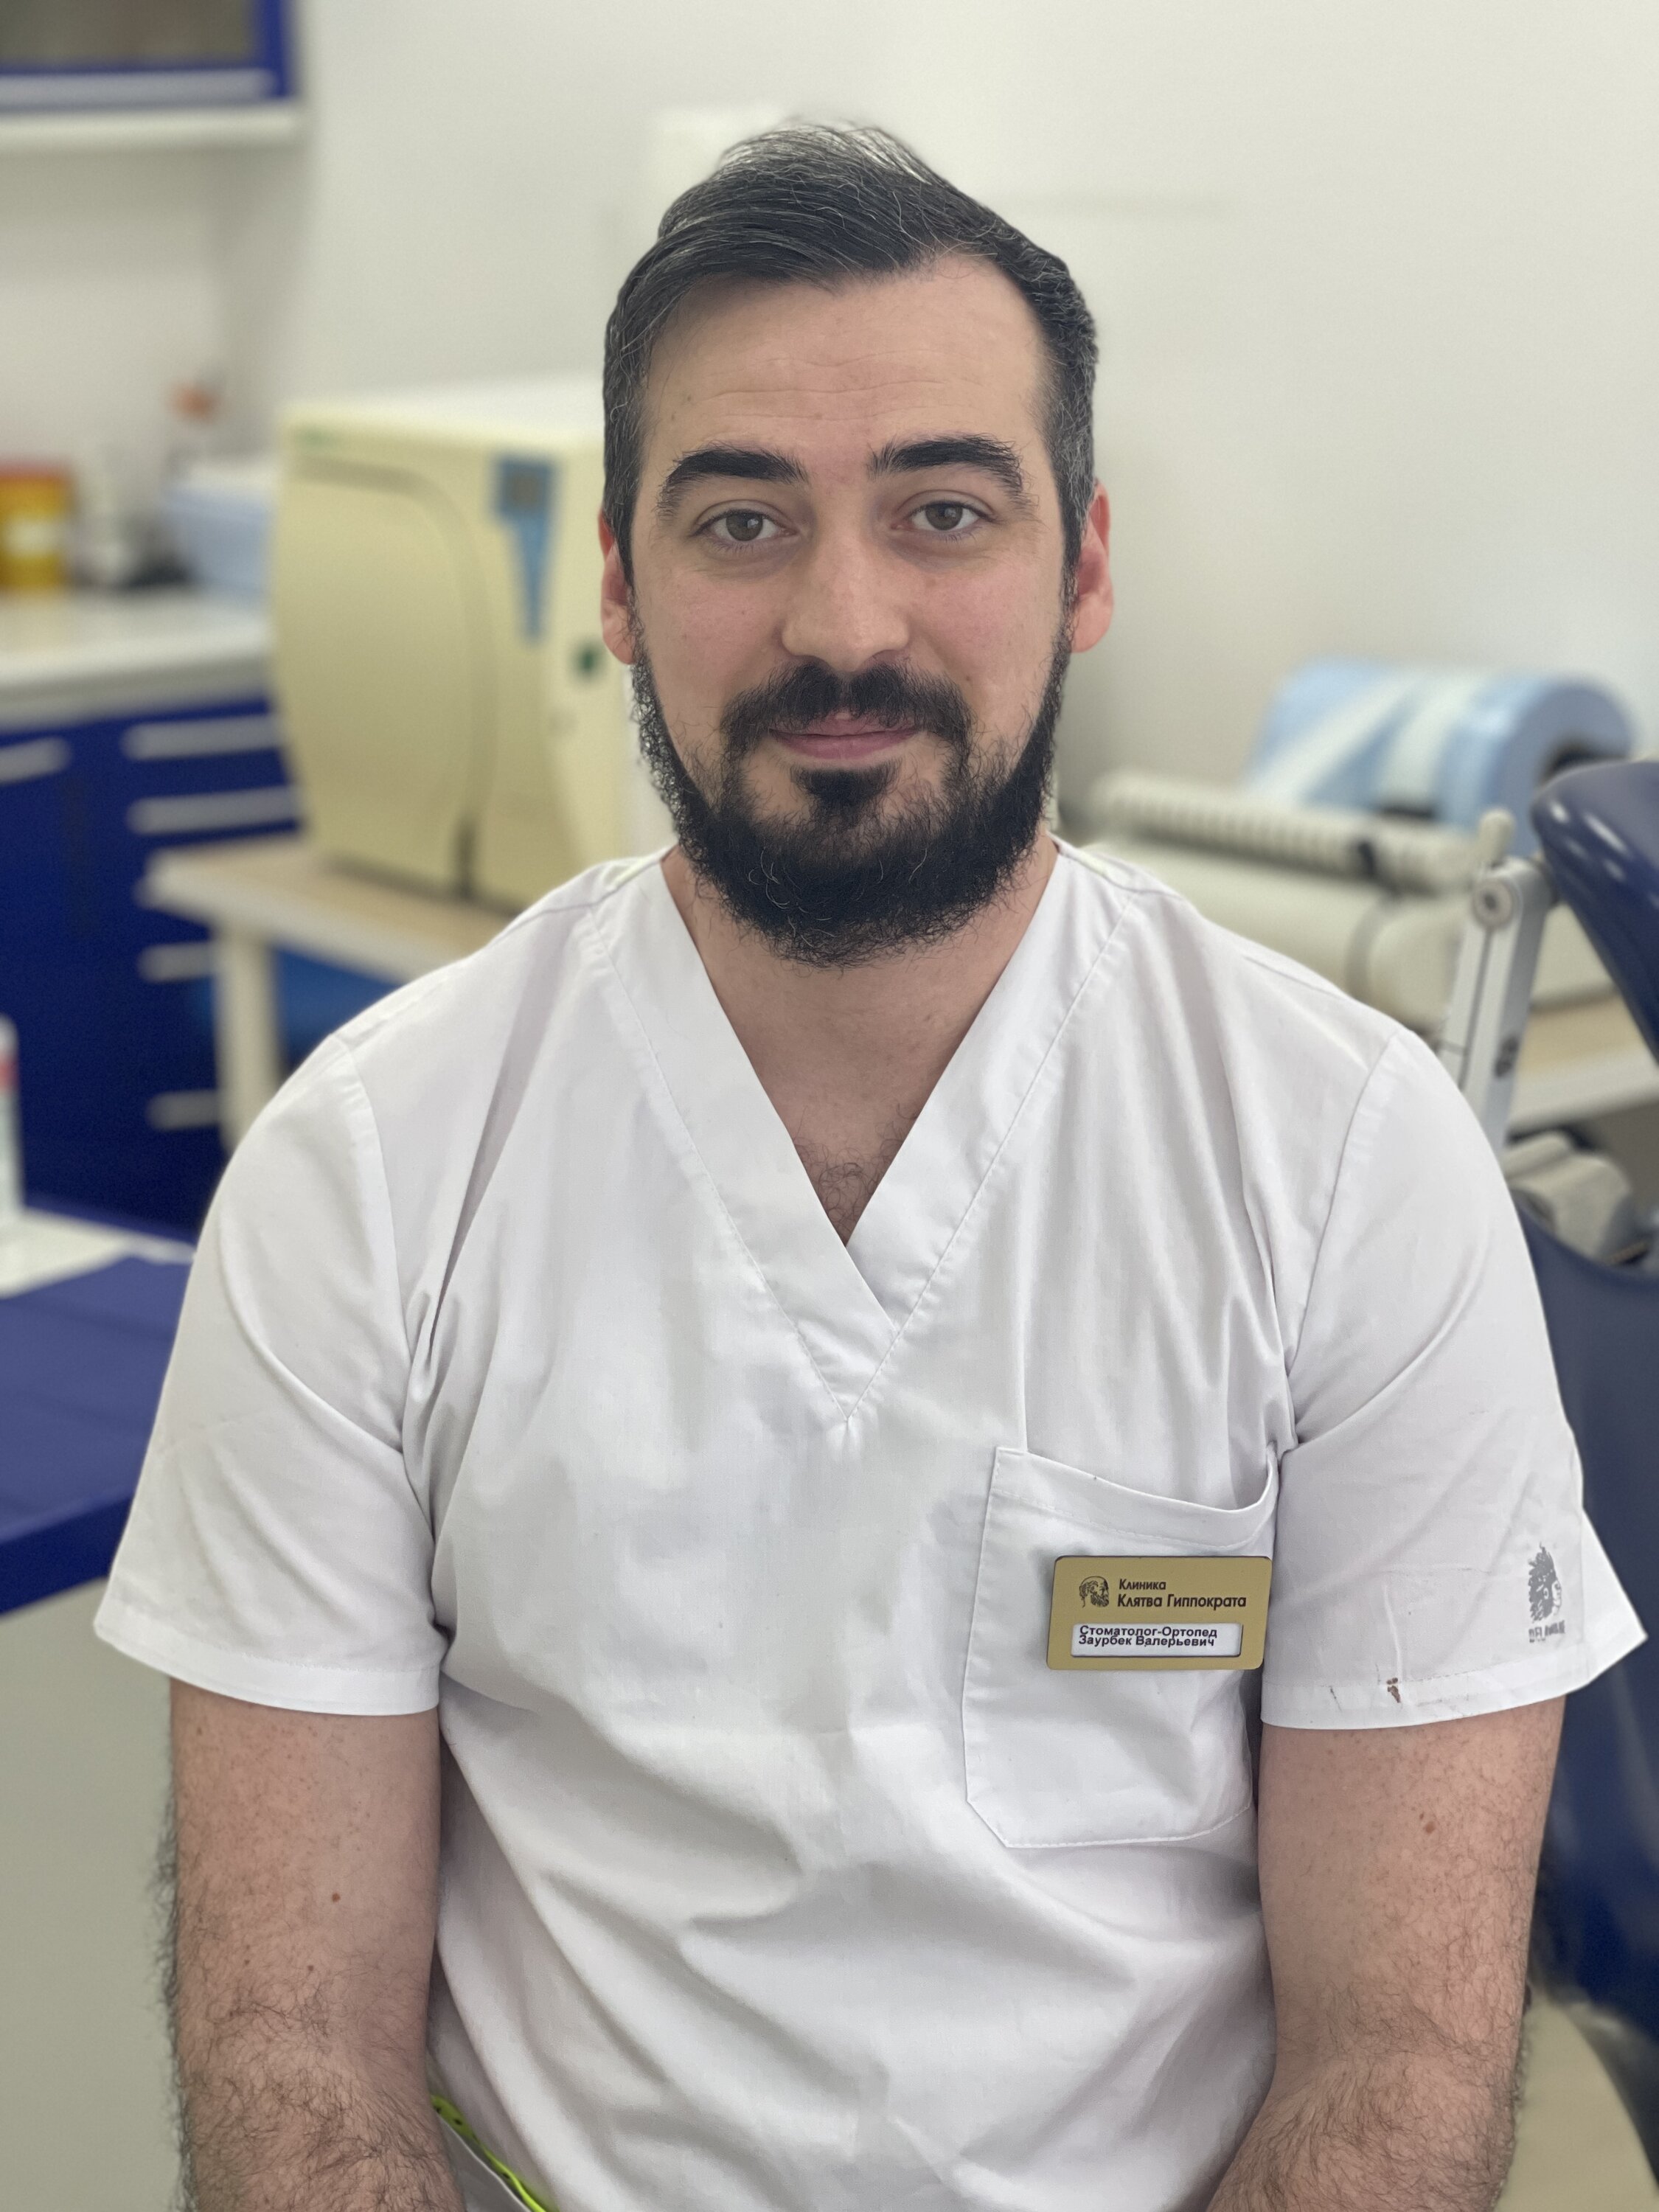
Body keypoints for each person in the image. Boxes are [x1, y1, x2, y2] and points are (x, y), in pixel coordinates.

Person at [97, 125, 1641, 2212]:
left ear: (1081, 566)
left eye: (943, 510)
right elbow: (291, 2048)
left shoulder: (1351, 1167)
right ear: (620, 585)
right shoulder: (370, 1175)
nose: (844, 621)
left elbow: (1399, 2058)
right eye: (742, 520)